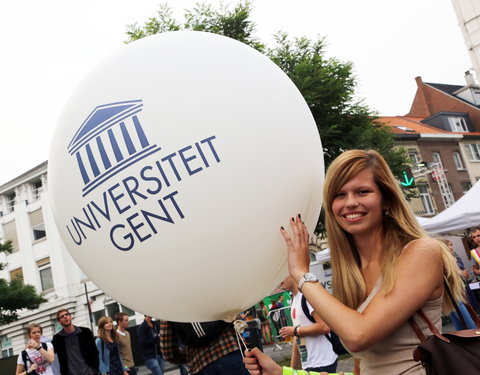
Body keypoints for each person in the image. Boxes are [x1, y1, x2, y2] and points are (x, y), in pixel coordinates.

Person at [244, 149, 464, 375]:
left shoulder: (420, 252)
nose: (350, 203)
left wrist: (302, 274)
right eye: (339, 195)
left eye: (362, 191)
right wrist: (283, 373)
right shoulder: (351, 273)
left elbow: (359, 335)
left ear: (386, 199)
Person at [279, 276, 338, 373]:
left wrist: (295, 330)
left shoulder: (306, 297)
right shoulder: (294, 300)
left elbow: (324, 326)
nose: (279, 281)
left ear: (291, 274)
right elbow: (296, 336)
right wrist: (292, 368)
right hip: (308, 364)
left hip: (322, 362)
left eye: (282, 275)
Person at [159, 320, 249, 375]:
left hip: (199, 366)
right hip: (229, 352)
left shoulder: (169, 305)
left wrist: (188, 356)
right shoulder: (208, 289)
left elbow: (168, 352)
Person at [437, 237, 477, 329]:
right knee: (470, 325)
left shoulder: (451, 259)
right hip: (453, 297)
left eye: (451, 245)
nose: (451, 247)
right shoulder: (443, 262)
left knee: (460, 326)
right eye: (448, 245)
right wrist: (460, 274)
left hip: (453, 296)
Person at [52, 309, 99, 375]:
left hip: (88, 372)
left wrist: (94, 370)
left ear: (70, 317)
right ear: (59, 321)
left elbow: (94, 352)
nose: (65, 317)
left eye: (67, 314)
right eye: (62, 316)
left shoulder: (85, 332)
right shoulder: (57, 338)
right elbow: (50, 352)